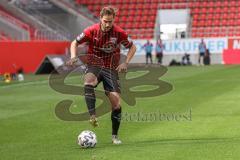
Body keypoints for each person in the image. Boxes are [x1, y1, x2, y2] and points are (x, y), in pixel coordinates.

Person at [66, 6, 136, 145]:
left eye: (110, 21)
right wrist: (73, 56)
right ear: (100, 19)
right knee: (88, 82)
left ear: (114, 19)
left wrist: (126, 63)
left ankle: (114, 136)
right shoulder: (91, 31)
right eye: (105, 21)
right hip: (95, 65)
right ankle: (92, 115)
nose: (108, 24)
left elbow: (132, 47)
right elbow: (75, 42)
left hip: (111, 69)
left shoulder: (119, 33)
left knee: (116, 105)